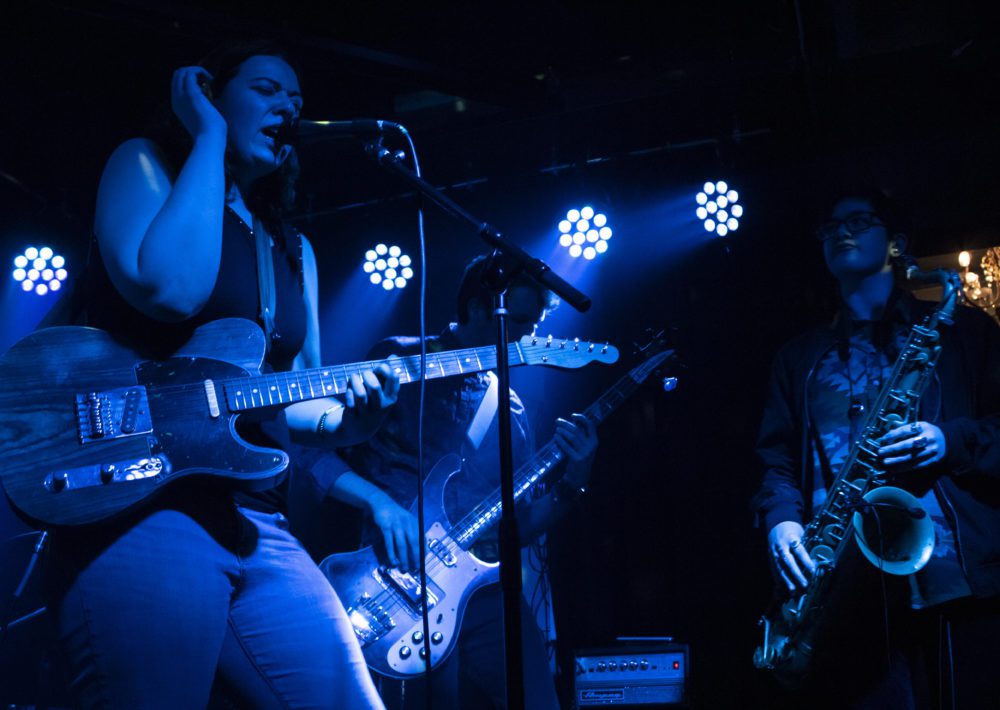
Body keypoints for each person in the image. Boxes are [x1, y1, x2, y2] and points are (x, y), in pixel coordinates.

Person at [45, 42, 395, 708]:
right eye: (267, 89)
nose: (288, 107)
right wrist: (207, 137)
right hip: (145, 507)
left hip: (258, 521)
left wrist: (355, 419)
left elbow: (299, 397)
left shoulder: (291, 248)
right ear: (209, 94)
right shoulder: (143, 166)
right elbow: (168, 289)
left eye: (297, 99)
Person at [753, 188, 1000, 707]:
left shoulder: (966, 333)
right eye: (830, 227)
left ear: (897, 243)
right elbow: (776, 460)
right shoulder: (796, 358)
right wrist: (781, 520)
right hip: (843, 590)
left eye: (859, 221)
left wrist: (949, 440)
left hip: (952, 583)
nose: (841, 232)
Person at [332, 254, 599, 709]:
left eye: (532, 326)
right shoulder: (400, 361)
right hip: (396, 586)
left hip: (486, 592)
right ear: (477, 308)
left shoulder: (511, 409)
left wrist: (576, 476)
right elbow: (315, 452)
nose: (525, 337)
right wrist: (380, 503)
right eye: (516, 321)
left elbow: (520, 524)